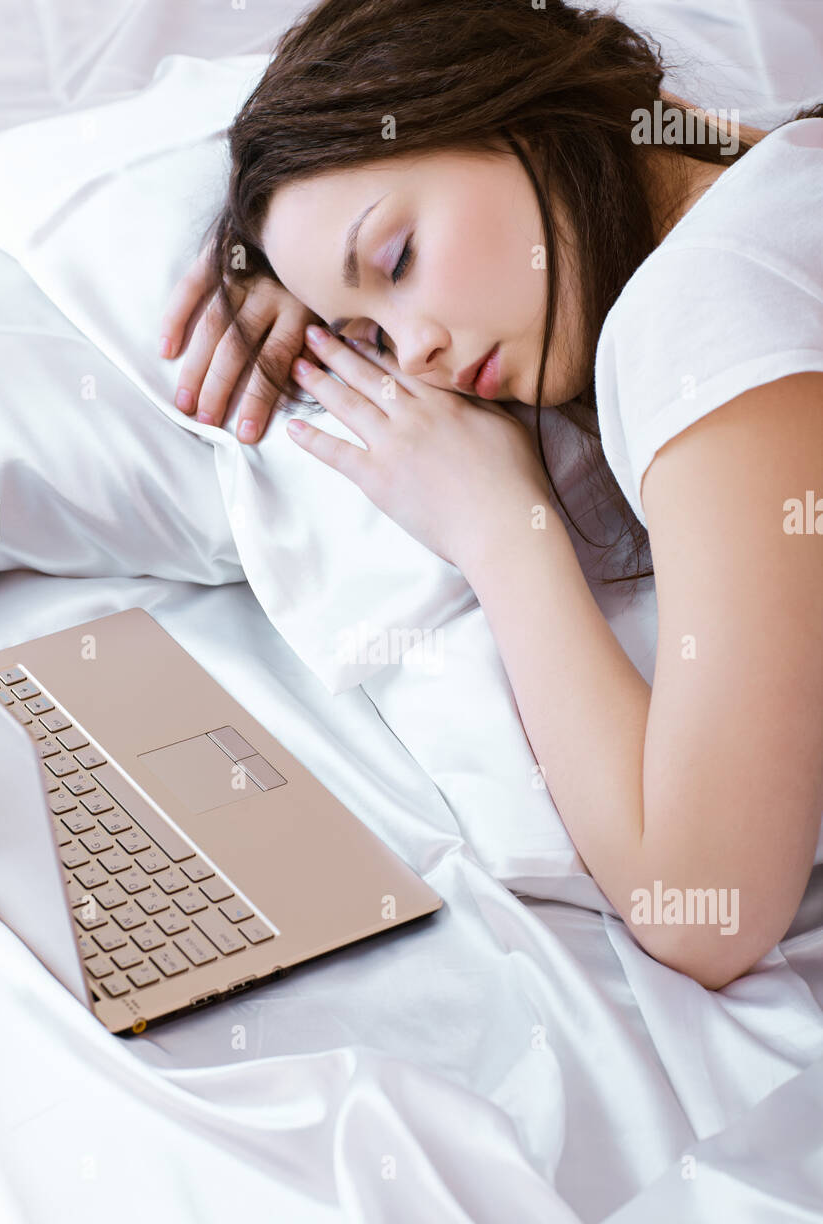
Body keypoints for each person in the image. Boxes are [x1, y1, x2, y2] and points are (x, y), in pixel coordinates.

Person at [159, 0, 823, 988]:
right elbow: (632, 110)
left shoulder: (695, 311)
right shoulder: (763, 167)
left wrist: (498, 529)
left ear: (505, 103)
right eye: (368, 339)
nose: (414, 352)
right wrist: (299, 243)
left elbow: (705, 907)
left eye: (395, 259)